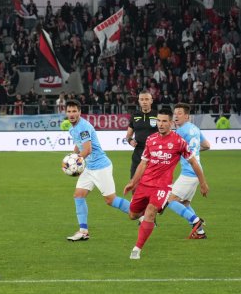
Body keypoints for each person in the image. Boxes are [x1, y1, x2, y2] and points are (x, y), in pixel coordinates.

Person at [124, 108, 209, 259]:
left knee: (151, 211)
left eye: (164, 121)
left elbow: (194, 162)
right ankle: (193, 222)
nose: (161, 124)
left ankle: (137, 249)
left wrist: (203, 183)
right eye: (158, 121)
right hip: (145, 184)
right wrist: (133, 182)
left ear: (170, 123)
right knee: (133, 215)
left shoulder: (179, 141)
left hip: (162, 186)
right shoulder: (151, 140)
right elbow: (143, 164)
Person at [65, 100, 131, 241]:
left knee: (110, 200)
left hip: (101, 166)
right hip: (89, 167)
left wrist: (74, 162)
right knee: (78, 196)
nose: (71, 114)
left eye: (74, 111)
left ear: (79, 112)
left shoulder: (83, 127)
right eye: (69, 111)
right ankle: (83, 231)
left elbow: (87, 149)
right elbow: (79, 145)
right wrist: (73, 155)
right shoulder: (72, 127)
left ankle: (142, 214)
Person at [168, 103, 211, 239]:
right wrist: (193, 152)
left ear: (187, 116)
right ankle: (200, 232)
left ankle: (196, 221)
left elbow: (171, 152)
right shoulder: (195, 129)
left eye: (179, 113)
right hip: (195, 171)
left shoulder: (180, 132)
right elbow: (207, 146)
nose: (176, 116)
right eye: (175, 113)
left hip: (189, 172)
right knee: (184, 203)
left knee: (170, 201)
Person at [125, 90, 158, 178]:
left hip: (154, 154)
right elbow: (128, 135)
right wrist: (130, 140)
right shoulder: (135, 116)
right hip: (138, 154)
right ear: (139, 101)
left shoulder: (157, 115)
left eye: (147, 99)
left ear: (151, 101)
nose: (144, 102)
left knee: (153, 185)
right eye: (142, 99)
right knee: (134, 183)